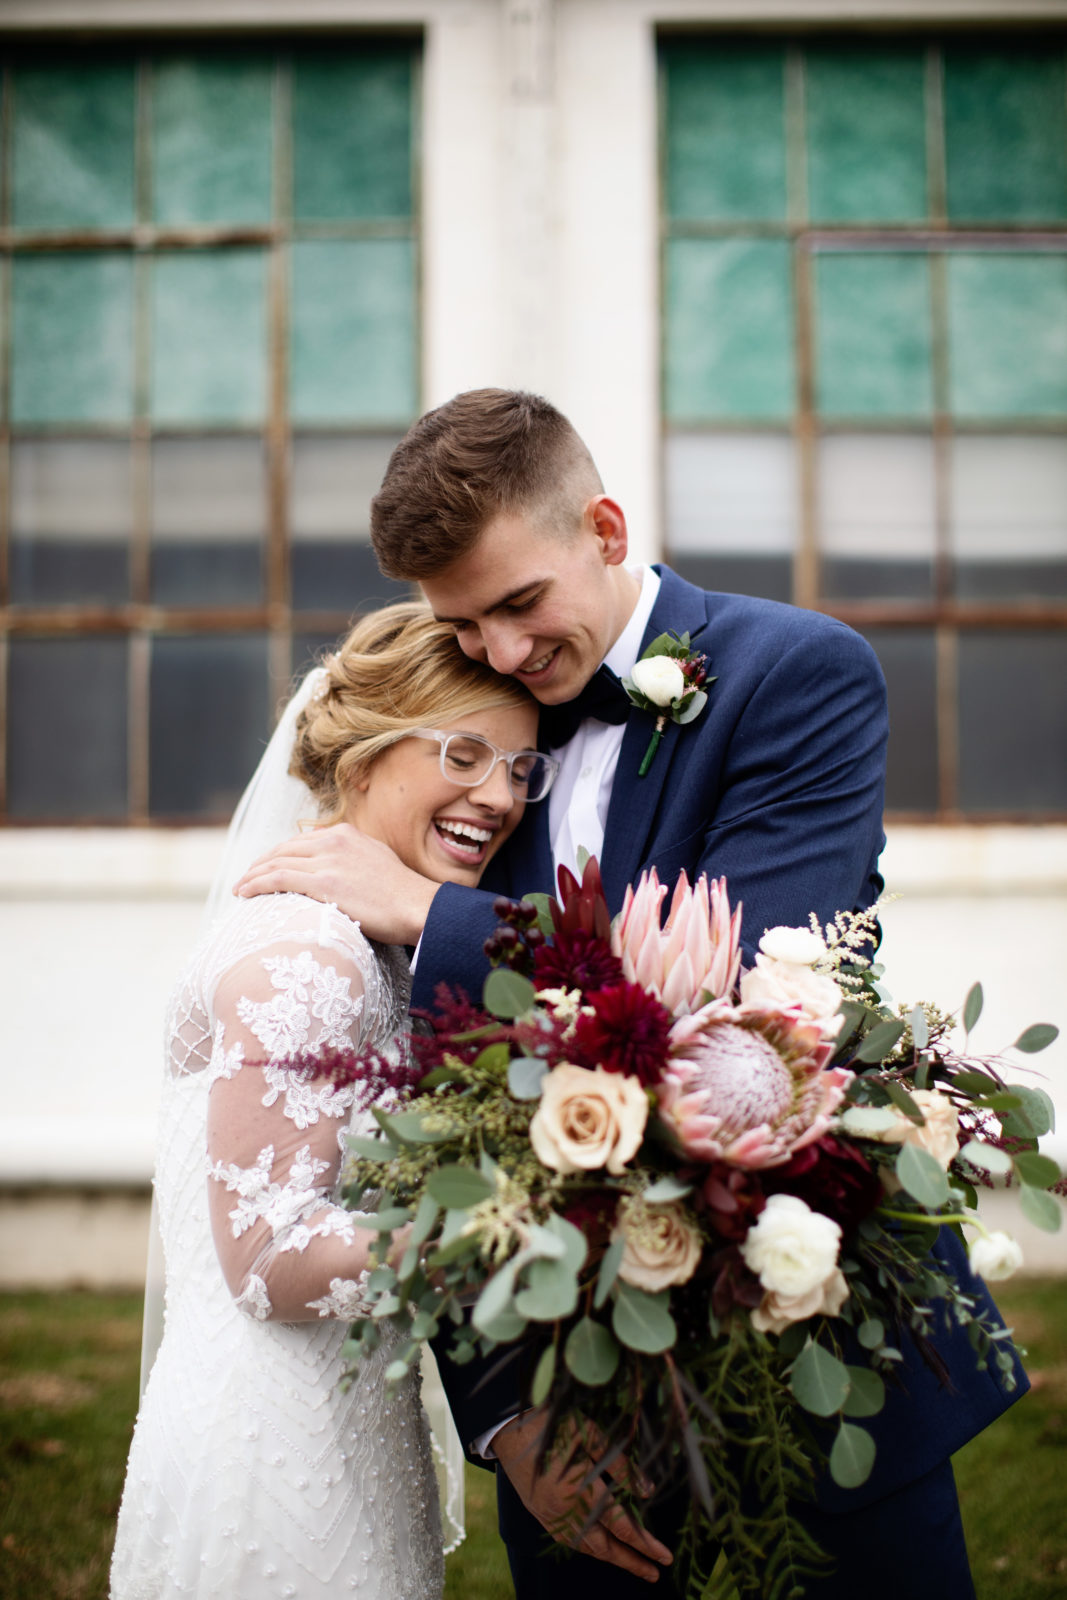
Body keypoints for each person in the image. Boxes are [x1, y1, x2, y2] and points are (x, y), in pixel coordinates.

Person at [233, 390, 1026, 1599]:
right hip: (571, 1433)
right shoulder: (472, 743)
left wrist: (427, 913)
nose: (498, 653)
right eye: (463, 622)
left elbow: (746, 996)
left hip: (811, 1366)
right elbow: (417, 1115)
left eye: (517, 605)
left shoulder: (797, 674)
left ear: (603, 528)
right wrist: (505, 1422)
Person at [110, 600, 556, 1600]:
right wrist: (515, 1229)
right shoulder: (308, 953)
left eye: (520, 767)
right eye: (465, 754)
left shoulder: (374, 943)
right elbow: (268, 1257)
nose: (499, 796)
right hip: (273, 1455)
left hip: (343, 1432)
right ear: (361, 762)